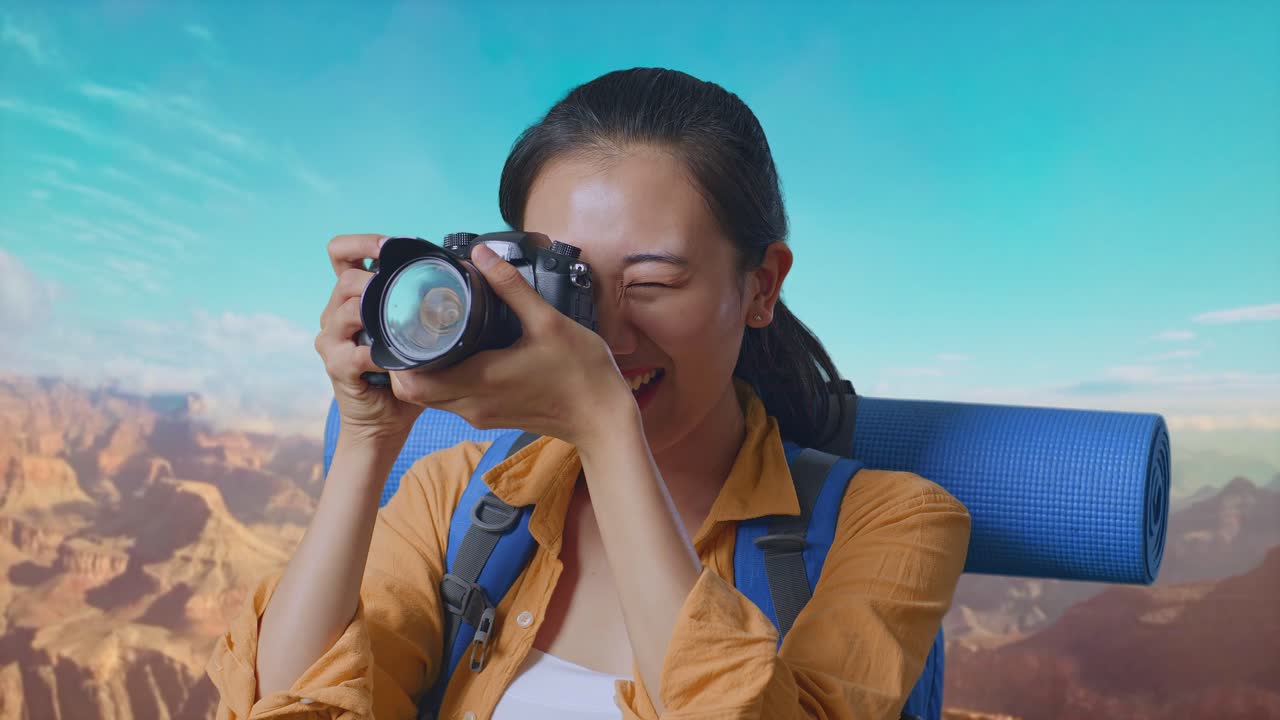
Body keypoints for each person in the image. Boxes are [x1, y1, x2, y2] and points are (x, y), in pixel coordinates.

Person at [206, 67, 972, 720]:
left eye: (651, 283)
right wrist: (369, 437)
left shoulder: (894, 525)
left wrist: (609, 430)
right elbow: (298, 703)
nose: (600, 333)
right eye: (562, 282)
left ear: (761, 287)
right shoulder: (456, 504)